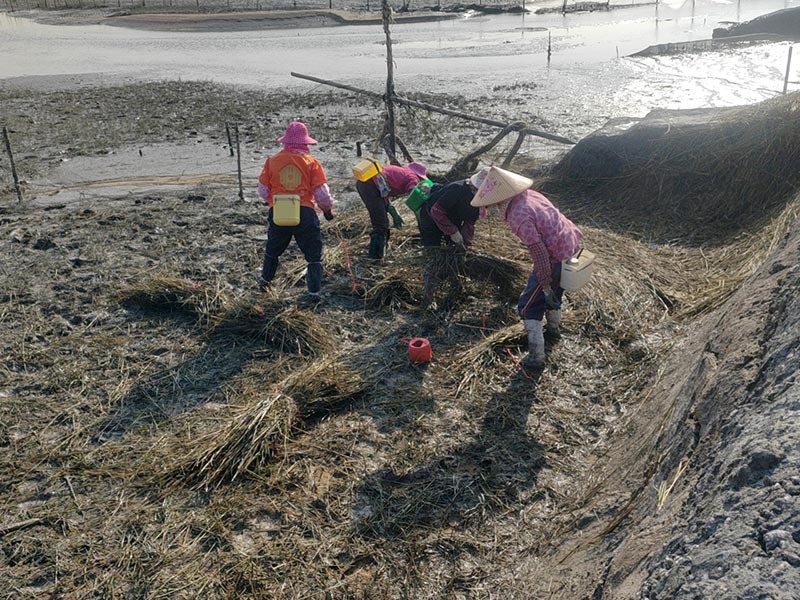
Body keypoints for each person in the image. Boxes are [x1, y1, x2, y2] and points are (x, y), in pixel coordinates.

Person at [471, 166, 583, 369]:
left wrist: (544, 279)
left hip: (555, 257)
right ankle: (553, 330)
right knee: (554, 294)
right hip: (571, 246)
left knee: (528, 306)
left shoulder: (518, 215)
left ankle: (536, 356)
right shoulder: (530, 195)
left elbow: (539, 252)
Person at [257, 121, 334, 302]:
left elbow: (262, 190)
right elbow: (322, 194)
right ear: (305, 143)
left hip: (279, 211)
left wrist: (272, 202)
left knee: (273, 250)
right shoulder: (311, 163)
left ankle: (265, 283)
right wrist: (327, 210)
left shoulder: (272, 161)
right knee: (313, 255)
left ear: (285, 142)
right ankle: (314, 293)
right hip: (305, 212)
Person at [418, 168, 488, 307]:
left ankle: (455, 288)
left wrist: (465, 243)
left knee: (456, 254)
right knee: (434, 255)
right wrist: (453, 232)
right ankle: (428, 296)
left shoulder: (481, 200)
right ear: (473, 185)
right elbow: (436, 211)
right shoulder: (457, 189)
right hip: (430, 219)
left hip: (452, 220)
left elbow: (469, 222)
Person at [356, 161, 427, 259]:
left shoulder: (401, 171)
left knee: (380, 221)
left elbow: (383, 188)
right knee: (381, 225)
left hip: (363, 183)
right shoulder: (412, 177)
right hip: (370, 186)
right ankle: (375, 257)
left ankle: (379, 253)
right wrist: (421, 220)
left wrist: (392, 210)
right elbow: (413, 194)